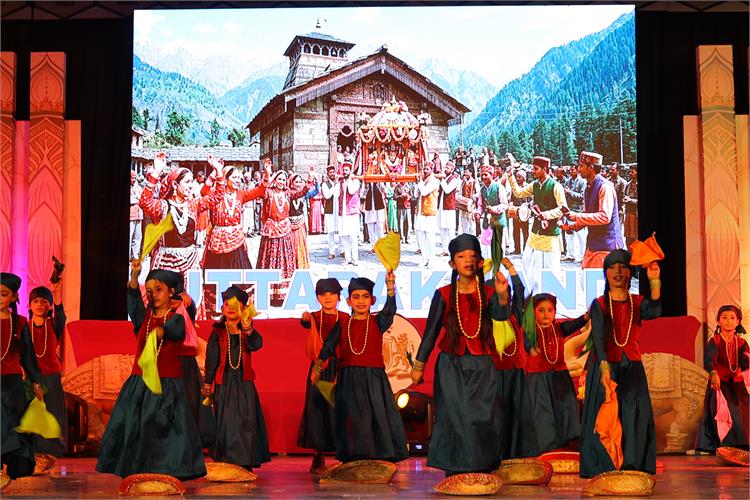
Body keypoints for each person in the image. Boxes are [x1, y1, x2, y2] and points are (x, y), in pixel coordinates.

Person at [96, 263, 206, 480]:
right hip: (140, 384)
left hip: (166, 385)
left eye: (158, 289)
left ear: (171, 292)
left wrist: (161, 332)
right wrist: (134, 277)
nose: (153, 294)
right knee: (136, 429)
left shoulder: (176, 318)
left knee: (162, 430)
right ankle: (139, 472)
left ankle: (165, 473)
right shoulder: (143, 319)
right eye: (149, 290)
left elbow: (176, 330)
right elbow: (133, 302)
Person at [410, 234, 505, 475]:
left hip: (482, 365)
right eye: (462, 257)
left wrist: (503, 296)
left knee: (482, 416)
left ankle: (482, 468)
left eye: (473, 256)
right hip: (451, 366)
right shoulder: (443, 294)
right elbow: (431, 333)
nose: (468, 261)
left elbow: (502, 317)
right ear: (453, 263)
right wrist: (419, 364)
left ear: (480, 262)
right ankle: (455, 470)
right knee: (455, 416)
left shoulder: (489, 293)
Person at [580, 250, 662, 478]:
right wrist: (604, 368)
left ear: (630, 272)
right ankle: (604, 465)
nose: (617, 271)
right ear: (606, 273)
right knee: (606, 415)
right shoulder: (599, 304)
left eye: (623, 266)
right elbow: (598, 338)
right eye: (612, 267)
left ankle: (632, 463)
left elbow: (655, 311)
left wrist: (654, 281)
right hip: (606, 366)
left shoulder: (638, 302)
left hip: (631, 366)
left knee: (634, 414)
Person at [311, 274, 407, 463]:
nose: (361, 301)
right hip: (349, 379)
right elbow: (329, 345)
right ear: (348, 301)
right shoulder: (343, 323)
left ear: (373, 300)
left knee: (375, 416)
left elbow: (390, 310)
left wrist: (390, 286)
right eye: (356, 297)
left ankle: (377, 457)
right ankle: (354, 458)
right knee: (353, 419)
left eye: (365, 297)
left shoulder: (377, 321)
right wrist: (318, 365)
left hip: (373, 380)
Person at [203, 286, 271, 471]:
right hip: (224, 382)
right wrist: (208, 382)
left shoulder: (246, 329)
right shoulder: (218, 331)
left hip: (243, 382)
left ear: (243, 307)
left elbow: (257, 344)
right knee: (226, 422)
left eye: (235, 304)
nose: (231, 308)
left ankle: (245, 461)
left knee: (246, 421)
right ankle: (227, 460)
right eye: (227, 304)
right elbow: (212, 358)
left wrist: (248, 329)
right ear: (222, 308)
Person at [139, 153, 225, 288]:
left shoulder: (193, 204)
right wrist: (156, 172)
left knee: (192, 298)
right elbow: (145, 202)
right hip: (165, 264)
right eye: (187, 182)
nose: (191, 186)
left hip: (190, 262)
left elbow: (218, 196)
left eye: (191, 182)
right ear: (175, 184)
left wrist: (218, 170)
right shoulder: (162, 206)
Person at [523, 293, 588, 454]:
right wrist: (530, 348)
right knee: (543, 413)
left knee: (566, 409)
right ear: (533, 312)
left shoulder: (559, 329)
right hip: (538, 379)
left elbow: (576, 323)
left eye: (550, 310)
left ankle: (569, 442)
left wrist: (587, 315)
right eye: (541, 310)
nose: (546, 314)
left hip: (560, 377)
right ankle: (548, 448)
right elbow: (525, 341)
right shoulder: (529, 331)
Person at [297, 278, 349, 473]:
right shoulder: (313, 317)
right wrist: (305, 318)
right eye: (323, 294)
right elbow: (305, 322)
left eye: (332, 294)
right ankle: (318, 456)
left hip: (340, 367)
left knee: (341, 409)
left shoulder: (345, 317)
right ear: (318, 298)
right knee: (317, 410)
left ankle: (344, 455)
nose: (327, 297)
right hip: (319, 368)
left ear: (338, 296)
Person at [493, 258, 540, 459]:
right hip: (495, 376)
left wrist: (511, 269)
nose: (506, 296)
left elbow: (519, 291)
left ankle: (516, 455)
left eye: (507, 293)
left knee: (517, 416)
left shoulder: (515, 316)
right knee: (498, 418)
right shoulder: (489, 320)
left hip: (516, 374)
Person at [1, 272, 45, 481]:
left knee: (11, 424)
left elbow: (28, 356)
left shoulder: (18, 323)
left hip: (12, 384)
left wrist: (36, 383)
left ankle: (8, 469)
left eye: (3, 294)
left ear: (14, 297)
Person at [508, 156, 567, 294]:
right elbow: (519, 193)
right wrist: (511, 176)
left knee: (550, 268)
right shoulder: (534, 185)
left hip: (550, 234)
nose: (533, 171)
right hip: (535, 232)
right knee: (528, 261)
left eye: (536, 169)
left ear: (544, 169)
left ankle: (551, 296)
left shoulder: (556, 186)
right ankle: (534, 293)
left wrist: (546, 215)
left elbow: (563, 209)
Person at [695, 305, 749, 453]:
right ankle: (723, 445)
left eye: (732, 318)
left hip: (736, 384)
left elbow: (746, 362)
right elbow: (709, 361)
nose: (728, 321)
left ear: (738, 321)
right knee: (722, 411)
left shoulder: (742, 343)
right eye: (724, 318)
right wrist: (713, 374)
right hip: (719, 383)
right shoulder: (715, 341)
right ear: (718, 321)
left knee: (743, 410)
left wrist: (745, 372)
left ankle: (742, 445)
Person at [256, 168, 315, 300]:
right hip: (271, 230)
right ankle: (269, 290)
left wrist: (310, 178)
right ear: (275, 180)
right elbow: (261, 190)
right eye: (279, 179)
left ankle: (284, 292)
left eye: (283, 180)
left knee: (285, 259)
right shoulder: (269, 192)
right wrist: (267, 174)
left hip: (284, 229)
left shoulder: (287, 193)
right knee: (270, 258)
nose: (281, 182)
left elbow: (301, 192)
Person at [564, 152, 624, 269]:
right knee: (586, 276)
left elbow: (604, 217)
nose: (579, 169)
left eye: (581, 166)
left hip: (606, 246)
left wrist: (576, 216)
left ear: (591, 167)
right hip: (593, 244)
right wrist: (572, 227)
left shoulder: (605, 187)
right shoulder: (588, 187)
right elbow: (588, 214)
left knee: (596, 279)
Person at [27, 283, 68, 456]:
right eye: (36, 301)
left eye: (44, 302)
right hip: (31, 377)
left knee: (52, 412)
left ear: (49, 306)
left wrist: (56, 293)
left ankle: (52, 450)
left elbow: (61, 317)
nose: (39, 305)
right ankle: (32, 450)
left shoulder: (53, 325)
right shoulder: (24, 327)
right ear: (30, 305)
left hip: (51, 376)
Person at [202, 165, 266, 270]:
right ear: (225, 179)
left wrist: (267, 174)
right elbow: (204, 191)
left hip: (236, 240)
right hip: (219, 241)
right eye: (234, 177)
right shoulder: (216, 195)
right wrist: (215, 171)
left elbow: (259, 191)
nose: (238, 180)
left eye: (239, 178)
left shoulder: (241, 195)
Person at [478, 165, 508, 273]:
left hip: (498, 222)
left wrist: (494, 209)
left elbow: (505, 205)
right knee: (486, 248)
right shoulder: (482, 189)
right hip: (487, 223)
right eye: (482, 175)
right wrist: (477, 213)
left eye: (486, 174)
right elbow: (480, 205)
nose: (483, 177)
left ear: (492, 175)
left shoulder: (499, 187)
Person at [288, 172, 320, 270]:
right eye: (296, 182)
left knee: (300, 245)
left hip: (300, 224)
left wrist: (316, 181)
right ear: (291, 183)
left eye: (299, 182)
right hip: (290, 225)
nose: (298, 184)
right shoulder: (287, 194)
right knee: (291, 245)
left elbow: (316, 191)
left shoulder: (304, 194)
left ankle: (301, 266)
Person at [415, 162, 440, 267]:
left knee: (430, 237)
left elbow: (425, 192)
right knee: (420, 235)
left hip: (430, 212)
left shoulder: (434, 181)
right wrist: (418, 184)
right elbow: (416, 194)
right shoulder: (423, 181)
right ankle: (424, 259)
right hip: (421, 211)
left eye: (427, 169)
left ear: (431, 170)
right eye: (424, 169)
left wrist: (419, 182)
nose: (425, 171)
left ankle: (432, 260)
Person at [337, 162, 361, 266]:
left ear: (350, 171)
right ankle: (347, 258)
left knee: (353, 237)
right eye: (343, 170)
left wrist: (350, 179)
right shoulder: (341, 182)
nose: (344, 172)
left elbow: (351, 191)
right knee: (344, 236)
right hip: (343, 213)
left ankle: (355, 259)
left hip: (352, 212)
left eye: (346, 170)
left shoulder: (356, 181)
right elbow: (336, 194)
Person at [563, 164, 587, 263]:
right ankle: (570, 254)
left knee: (581, 236)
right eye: (570, 170)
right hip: (568, 211)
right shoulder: (567, 181)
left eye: (573, 170)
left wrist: (570, 192)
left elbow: (582, 196)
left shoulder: (582, 182)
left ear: (578, 170)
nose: (571, 172)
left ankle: (582, 256)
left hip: (577, 211)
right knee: (568, 234)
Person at [437, 161, 460, 256]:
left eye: (448, 168)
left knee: (450, 229)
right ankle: (445, 250)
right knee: (442, 228)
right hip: (441, 206)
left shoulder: (454, 179)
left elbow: (447, 190)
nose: (446, 169)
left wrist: (441, 180)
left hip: (449, 207)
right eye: (445, 167)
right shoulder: (444, 179)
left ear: (452, 169)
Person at [320, 165, 341, 260]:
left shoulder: (339, 183)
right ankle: (332, 251)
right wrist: (334, 186)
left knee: (340, 230)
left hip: (338, 209)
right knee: (330, 231)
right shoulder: (325, 184)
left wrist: (336, 185)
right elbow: (327, 195)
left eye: (333, 172)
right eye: (330, 172)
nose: (332, 174)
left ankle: (342, 249)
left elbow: (338, 194)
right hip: (330, 210)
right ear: (328, 174)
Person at [509, 171, 530, 255]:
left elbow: (531, 199)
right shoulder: (514, 187)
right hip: (516, 211)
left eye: (520, 177)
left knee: (525, 231)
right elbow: (511, 198)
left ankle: (526, 250)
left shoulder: (527, 187)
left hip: (524, 211)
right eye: (517, 177)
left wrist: (526, 205)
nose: (518, 179)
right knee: (515, 231)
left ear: (524, 178)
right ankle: (517, 249)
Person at [363, 182, 386, 247]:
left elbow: (384, 190)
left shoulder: (379, 181)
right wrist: (365, 187)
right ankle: (373, 246)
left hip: (379, 206)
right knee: (370, 228)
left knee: (380, 227)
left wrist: (380, 182)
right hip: (369, 206)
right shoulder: (366, 181)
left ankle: (381, 245)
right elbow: (362, 194)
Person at [458, 169, 479, 236]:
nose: (465, 174)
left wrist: (474, 196)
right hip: (463, 205)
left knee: (471, 224)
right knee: (464, 223)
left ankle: (472, 238)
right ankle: (465, 237)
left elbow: (478, 193)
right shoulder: (463, 182)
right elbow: (459, 191)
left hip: (471, 205)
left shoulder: (475, 182)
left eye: (467, 172)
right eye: (465, 172)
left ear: (471, 173)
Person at [129, 171, 143, 259]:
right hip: (131, 215)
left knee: (138, 236)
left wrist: (138, 199)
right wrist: (138, 200)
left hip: (139, 215)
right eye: (132, 178)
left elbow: (143, 198)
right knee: (129, 236)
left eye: (134, 178)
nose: (133, 180)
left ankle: (135, 255)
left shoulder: (138, 187)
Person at [623, 167, 638, 247]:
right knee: (628, 238)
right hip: (628, 214)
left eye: (632, 172)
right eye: (630, 172)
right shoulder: (628, 185)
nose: (630, 174)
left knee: (636, 238)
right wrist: (625, 199)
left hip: (636, 215)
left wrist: (630, 200)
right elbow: (625, 195)